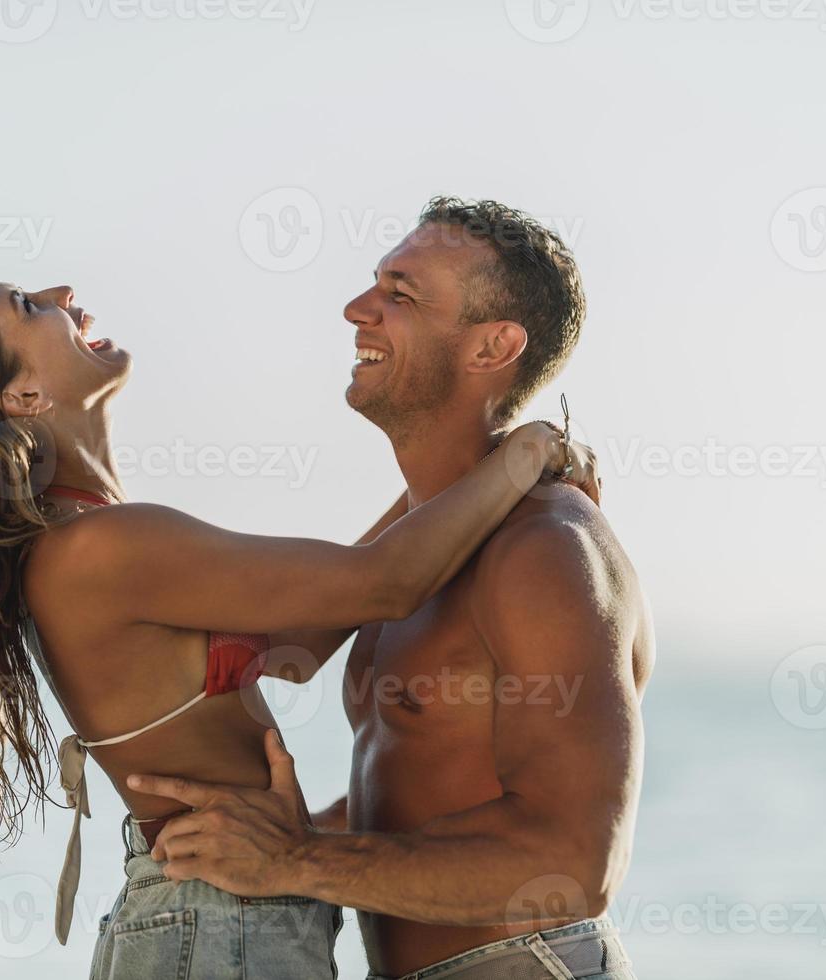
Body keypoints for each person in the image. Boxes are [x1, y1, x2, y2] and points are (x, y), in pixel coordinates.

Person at [0, 278, 601, 979]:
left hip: (220, 915)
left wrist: (479, 478)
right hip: (215, 926)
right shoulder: (100, 548)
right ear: (25, 394)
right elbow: (388, 583)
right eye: (28, 308)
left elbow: (305, 643)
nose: (60, 291)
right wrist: (529, 451)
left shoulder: (94, 536)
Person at [130, 198, 653, 980]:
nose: (356, 309)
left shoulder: (543, 551)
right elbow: (416, 796)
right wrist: (267, 842)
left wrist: (296, 859)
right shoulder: (421, 555)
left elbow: (574, 864)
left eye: (401, 296)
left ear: (493, 346)